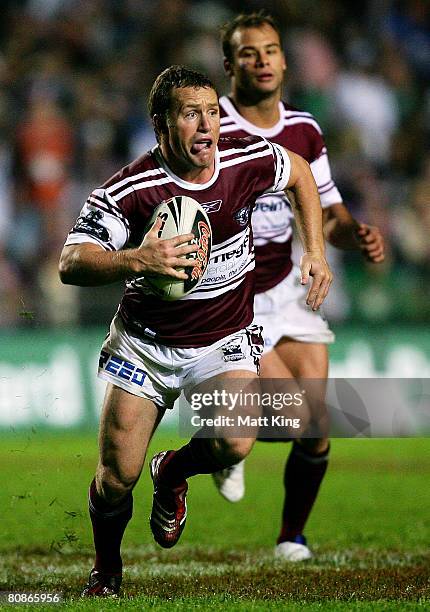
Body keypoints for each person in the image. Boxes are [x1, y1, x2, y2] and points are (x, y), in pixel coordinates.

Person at [58, 65, 332, 597]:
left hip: (224, 337)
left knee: (234, 441)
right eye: (190, 114)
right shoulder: (132, 189)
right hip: (145, 343)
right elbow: (71, 262)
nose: (207, 125)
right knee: (116, 478)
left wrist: (315, 251)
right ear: (160, 124)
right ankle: (107, 572)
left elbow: (298, 171)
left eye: (211, 111)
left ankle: (174, 471)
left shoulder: (244, 158)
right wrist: (137, 257)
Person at [212, 12, 385, 562]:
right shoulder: (209, 123)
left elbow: (328, 213)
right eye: (248, 52)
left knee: (317, 427)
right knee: (292, 415)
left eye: (270, 50)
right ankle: (225, 437)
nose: (261, 61)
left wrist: (354, 234)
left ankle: (292, 536)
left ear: (285, 61)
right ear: (229, 65)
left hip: (288, 287)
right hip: (232, 293)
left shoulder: (305, 129)